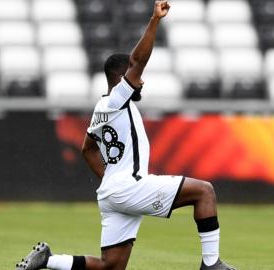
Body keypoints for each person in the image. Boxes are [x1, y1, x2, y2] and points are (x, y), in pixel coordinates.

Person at [15, 1, 236, 269]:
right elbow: (138, 61)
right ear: (122, 78)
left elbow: (87, 149)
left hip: (111, 193)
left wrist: (110, 179)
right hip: (129, 186)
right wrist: (155, 19)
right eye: (135, 77)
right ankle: (211, 264)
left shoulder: (101, 108)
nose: (141, 81)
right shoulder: (119, 98)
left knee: (111, 266)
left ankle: (49, 260)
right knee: (204, 192)